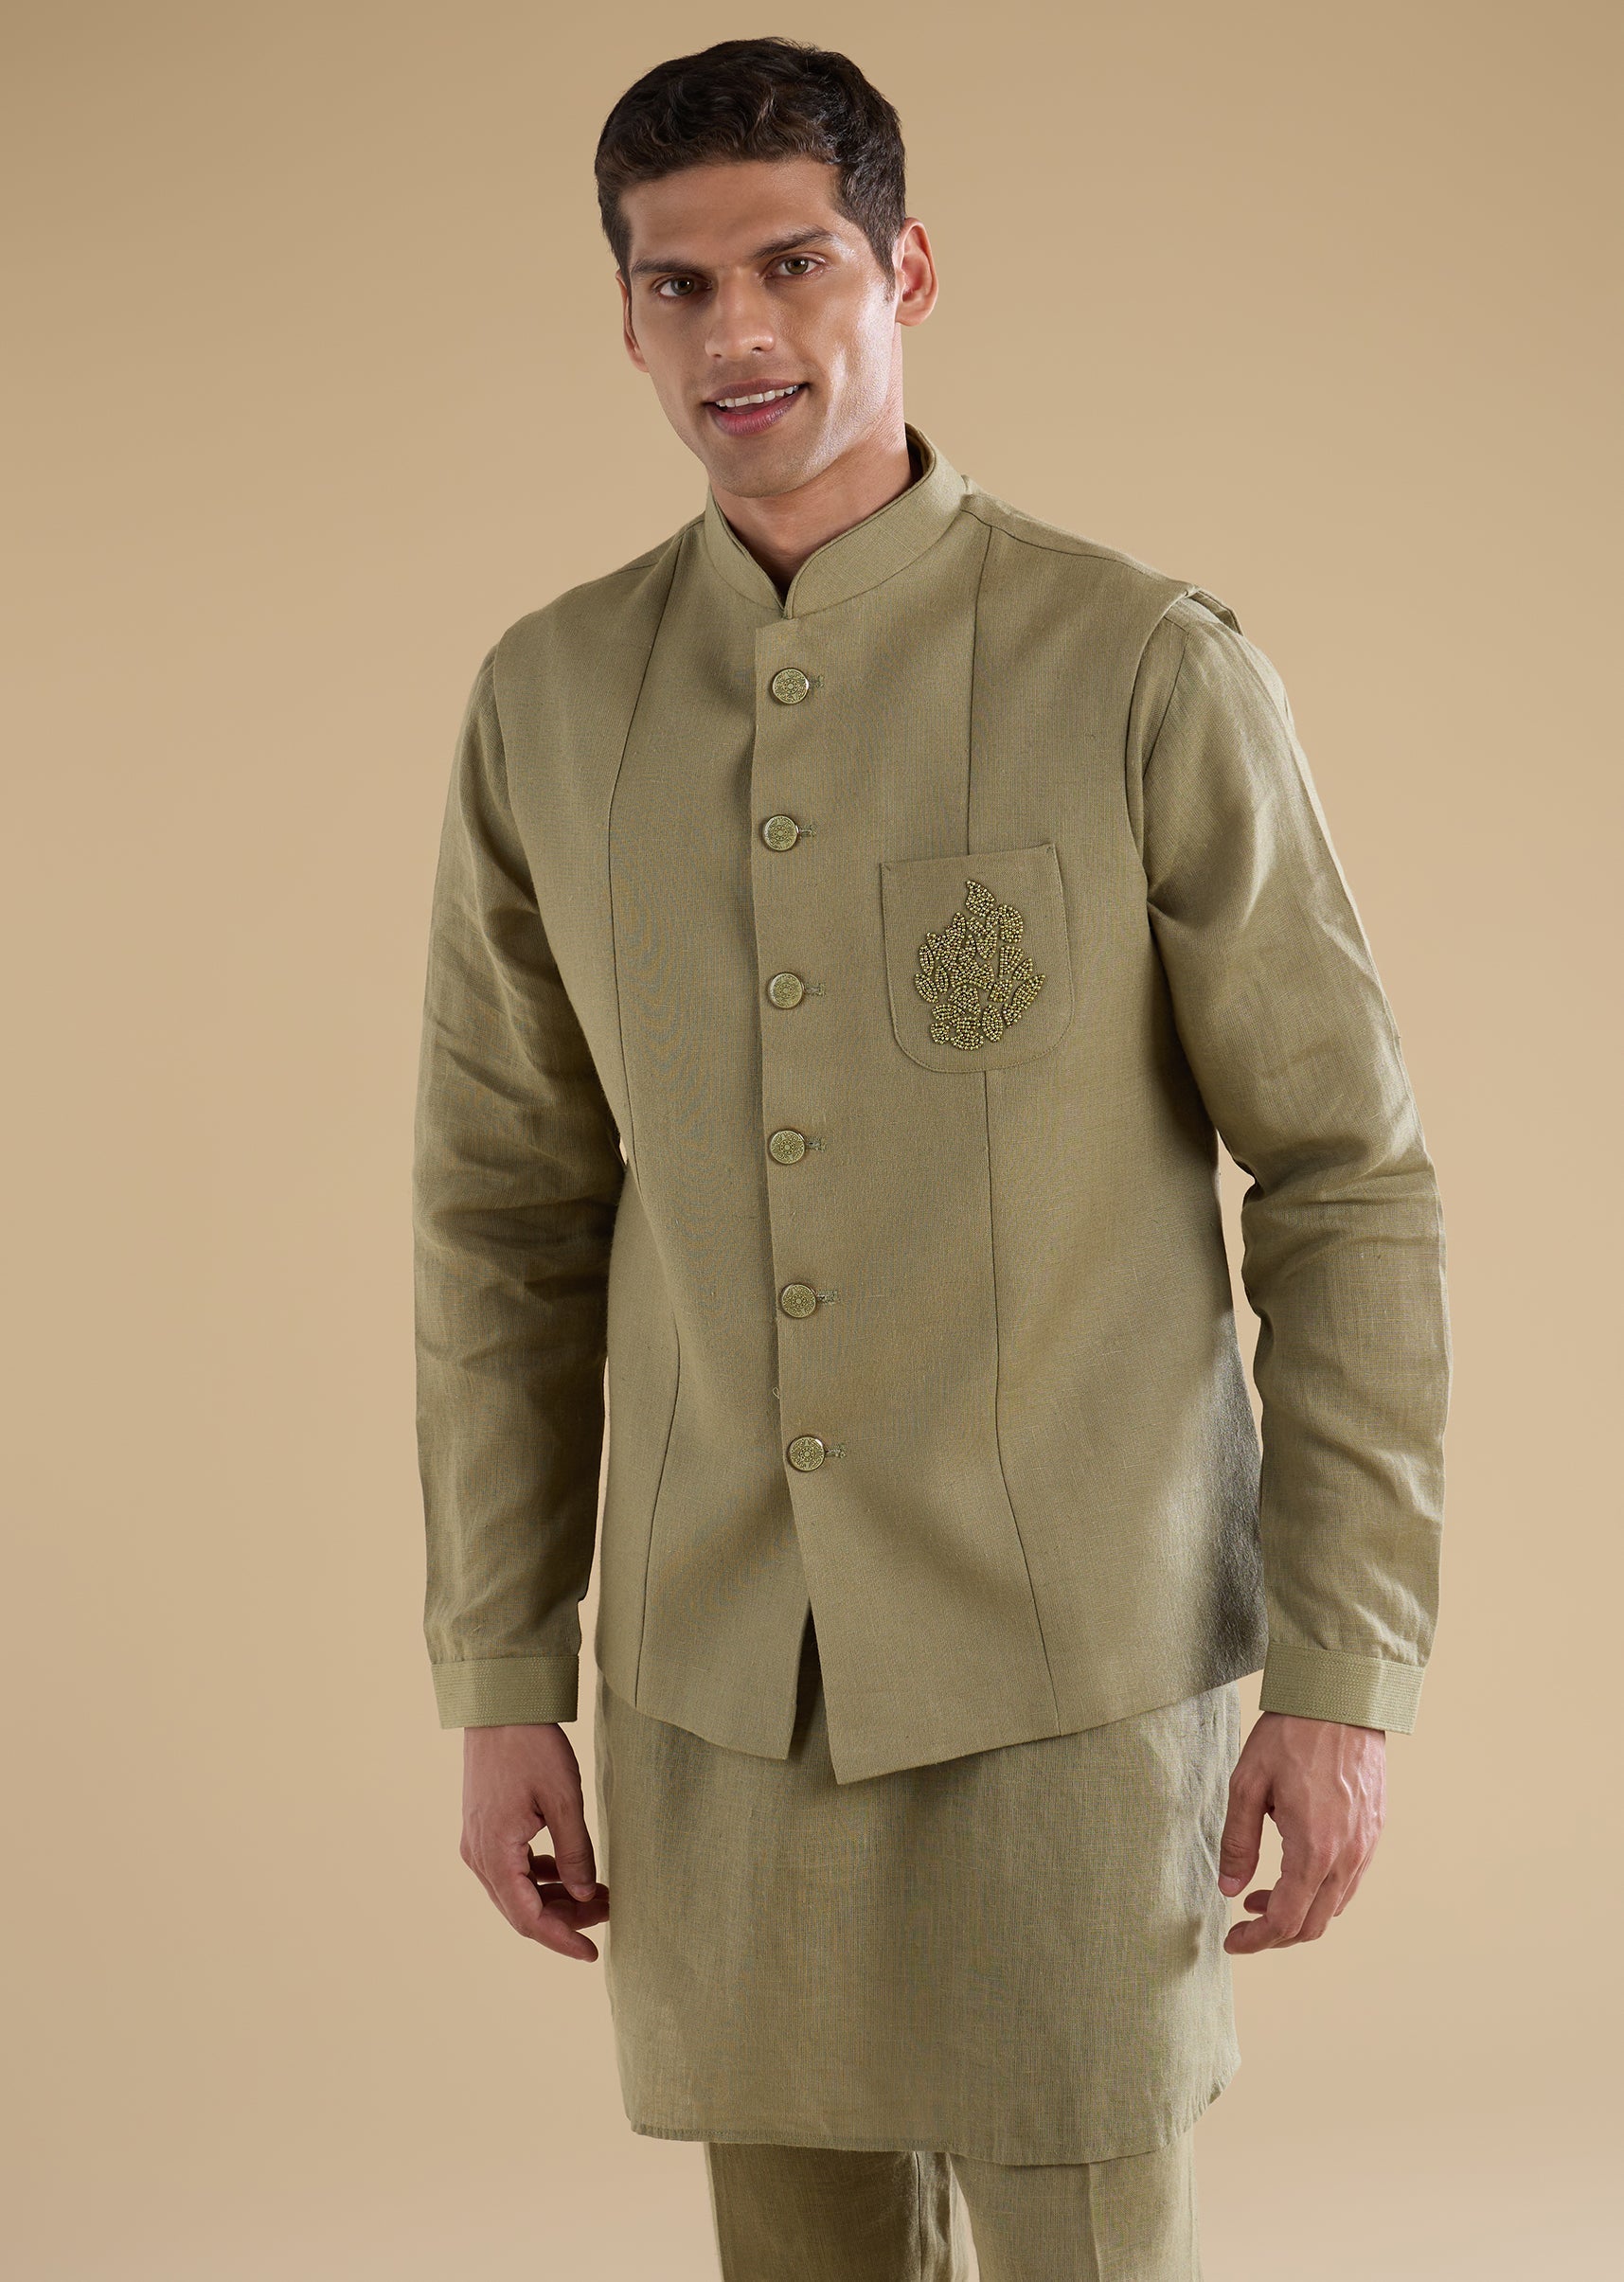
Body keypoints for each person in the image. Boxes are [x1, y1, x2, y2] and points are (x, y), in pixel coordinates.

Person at [411, 35, 1449, 2281]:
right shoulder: (551, 701)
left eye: (793, 263)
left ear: (906, 271)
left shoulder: (1139, 663)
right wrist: (501, 1670)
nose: (739, 331)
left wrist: (1341, 1670)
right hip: (714, 1692)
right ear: (625, 318)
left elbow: (1348, 1174)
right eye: (678, 284)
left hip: (1073, 1684)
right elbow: (505, 1218)